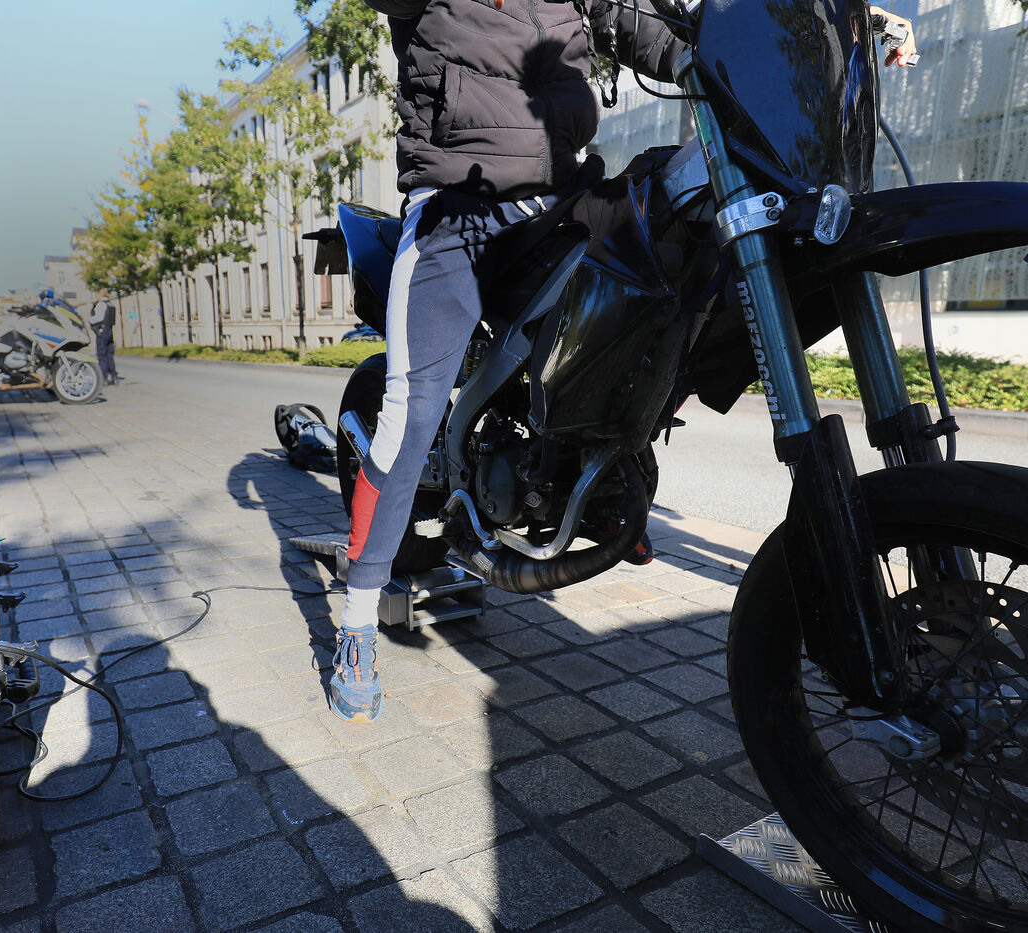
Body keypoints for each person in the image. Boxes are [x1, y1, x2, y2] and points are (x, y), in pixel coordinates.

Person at [328, 0, 917, 724]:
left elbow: (650, 29)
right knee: (413, 410)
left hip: (564, 194)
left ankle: (608, 456)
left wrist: (804, 27)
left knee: (682, 214)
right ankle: (357, 619)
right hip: (460, 204)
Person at [93, 290, 119, 384]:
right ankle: (113, 376)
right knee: (109, 355)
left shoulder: (101, 304)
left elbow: (97, 318)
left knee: (102, 355)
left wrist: (90, 319)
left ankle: (103, 377)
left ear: (99, 294)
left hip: (102, 331)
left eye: (96, 294)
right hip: (109, 330)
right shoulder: (110, 304)